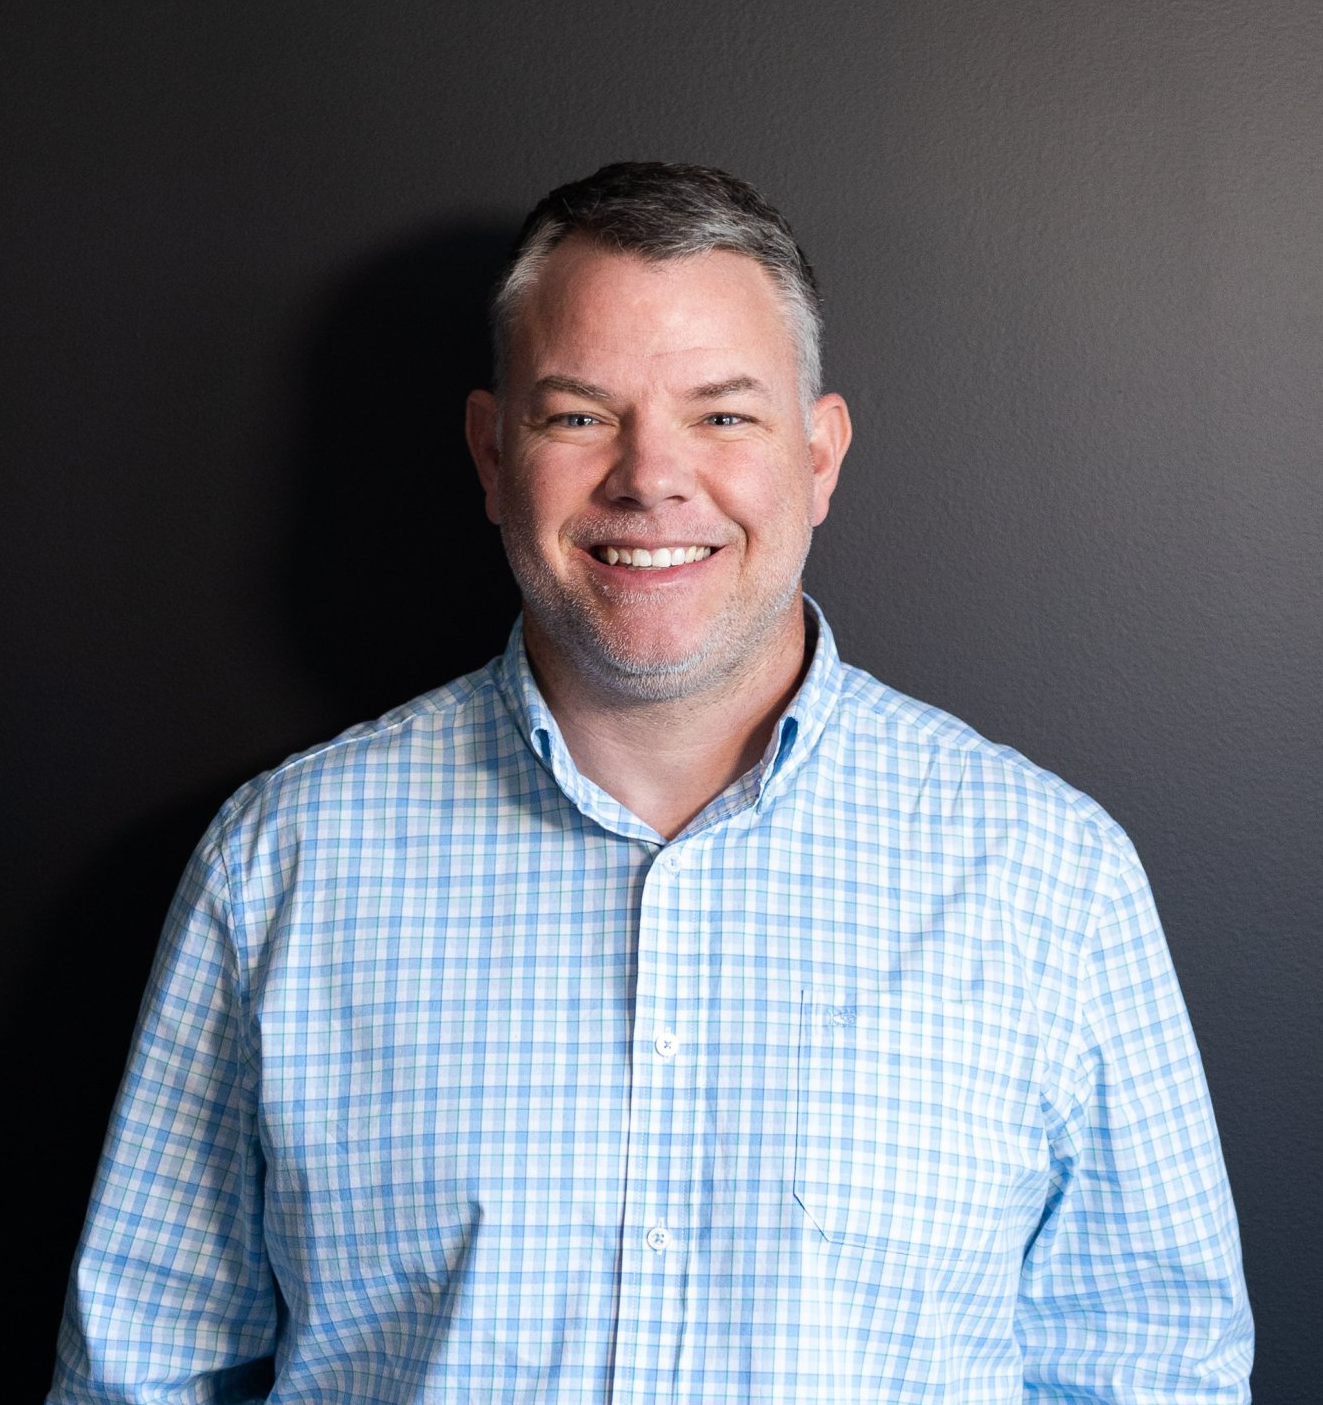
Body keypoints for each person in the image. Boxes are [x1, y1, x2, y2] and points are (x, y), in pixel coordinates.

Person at [48, 162, 1252, 1403]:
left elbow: (1155, 1374)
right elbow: (147, 1371)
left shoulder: (1052, 878)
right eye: (579, 415)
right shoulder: (282, 862)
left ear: (821, 455)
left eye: (723, 415)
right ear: (490, 453)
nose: (650, 477)